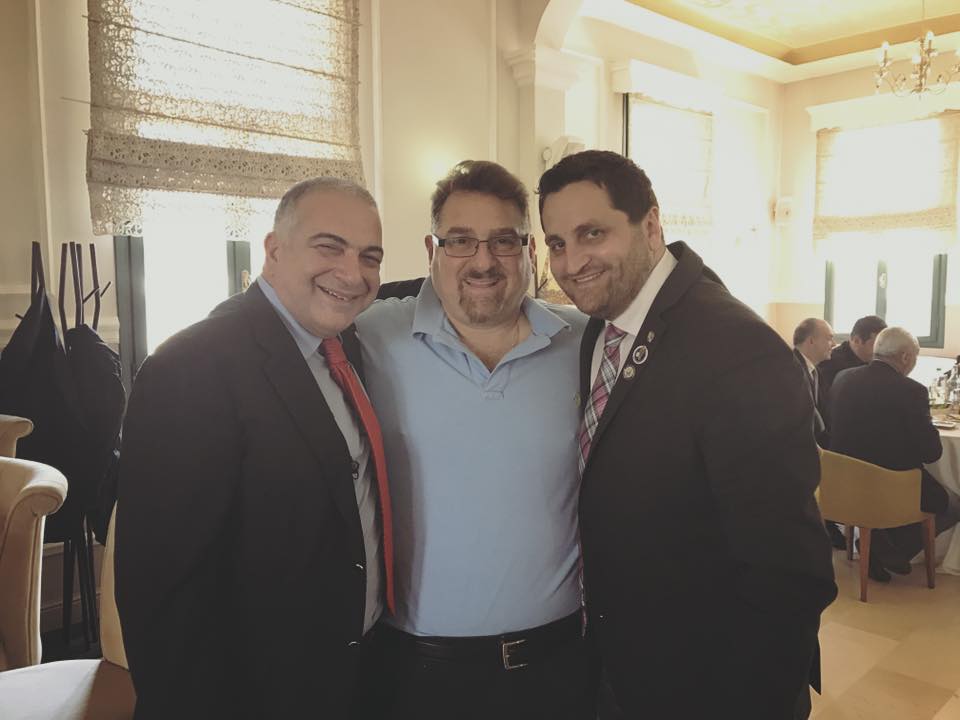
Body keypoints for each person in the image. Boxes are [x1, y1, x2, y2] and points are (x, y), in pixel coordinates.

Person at [537, 150, 837, 719]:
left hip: (707, 684)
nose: (571, 263)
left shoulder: (738, 349)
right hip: (623, 663)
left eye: (592, 233)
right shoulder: (602, 328)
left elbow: (787, 571)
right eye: (557, 243)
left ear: (650, 225)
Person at [116, 177, 390, 719]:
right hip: (252, 695)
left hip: (350, 677)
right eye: (329, 246)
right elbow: (161, 594)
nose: (353, 273)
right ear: (274, 250)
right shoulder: (192, 367)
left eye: (370, 257)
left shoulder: (346, 344)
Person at [354, 160, 596, 720]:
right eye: (459, 240)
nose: (483, 261)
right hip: (419, 673)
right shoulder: (369, 335)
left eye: (503, 241)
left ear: (529, 250)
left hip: (560, 664)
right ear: (431, 250)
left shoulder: (586, 343)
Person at [829, 326, 955, 582]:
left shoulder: (842, 378)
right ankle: (889, 549)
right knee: (951, 504)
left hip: (842, 483)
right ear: (906, 357)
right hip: (890, 486)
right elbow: (932, 452)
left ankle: (878, 542)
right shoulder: (911, 391)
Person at [817, 314, 886, 398]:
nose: (881, 351)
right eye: (876, 345)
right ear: (856, 340)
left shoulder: (876, 362)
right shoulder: (830, 364)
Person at [792, 317, 834, 447]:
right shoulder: (791, 370)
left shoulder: (816, 371)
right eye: (829, 338)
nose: (833, 344)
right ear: (811, 341)